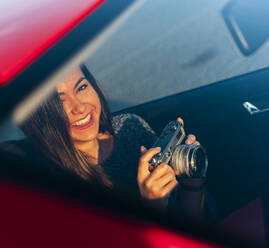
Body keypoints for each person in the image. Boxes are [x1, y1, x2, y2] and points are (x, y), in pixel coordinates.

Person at [20, 64, 206, 220]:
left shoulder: (130, 126)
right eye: (59, 102)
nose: (79, 106)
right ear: (39, 118)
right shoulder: (50, 189)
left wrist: (191, 179)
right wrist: (151, 207)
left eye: (82, 87)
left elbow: (193, 223)